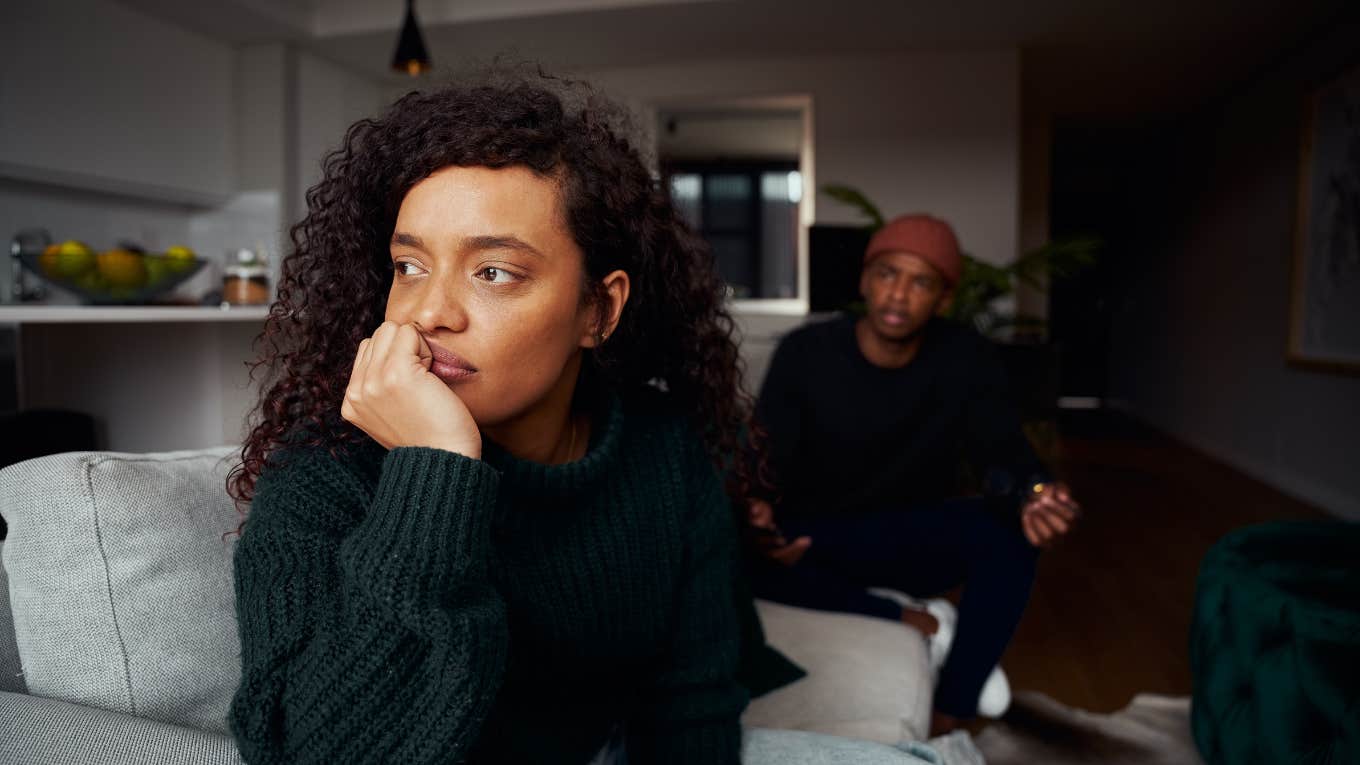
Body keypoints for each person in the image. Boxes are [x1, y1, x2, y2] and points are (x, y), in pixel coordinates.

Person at [223, 71, 791, 764]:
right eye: (408, 265)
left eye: (493, 271)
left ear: (599, 310)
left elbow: (694, 699)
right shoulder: (325, 471)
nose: (429, 312)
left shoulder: (665, 452)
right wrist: (432, 473)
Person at [745, 213, 1081, 736]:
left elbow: (1003, 453)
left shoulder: (965, 358)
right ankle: (895, 615)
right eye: (887, 274)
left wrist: (1034, 492)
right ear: (864, 281)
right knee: (730, 542)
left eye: (920, 282)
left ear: (943, 299)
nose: (899, 294)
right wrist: (757, 516)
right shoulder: (806, 354)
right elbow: (764, 461)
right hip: (821, 538)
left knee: (1010, 531)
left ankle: (953, 706)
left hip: (910, 535)